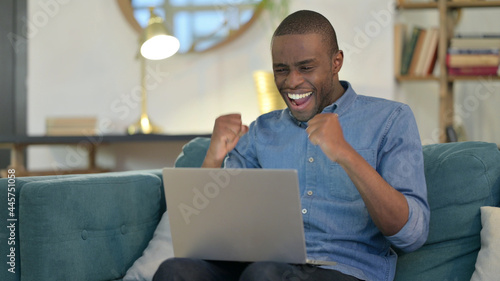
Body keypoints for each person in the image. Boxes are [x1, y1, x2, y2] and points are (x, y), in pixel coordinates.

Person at [153, 10, 429, 281]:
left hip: (343, 268)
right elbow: (205, 237)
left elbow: (411, 235)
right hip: (260, 265)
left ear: (336, 62)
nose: (293, 81)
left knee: (265, 273)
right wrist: (213, 160)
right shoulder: (261, 131)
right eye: (281, 70)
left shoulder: (391, 119)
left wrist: (345, 153)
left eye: (306, 67)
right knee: (175, 270)